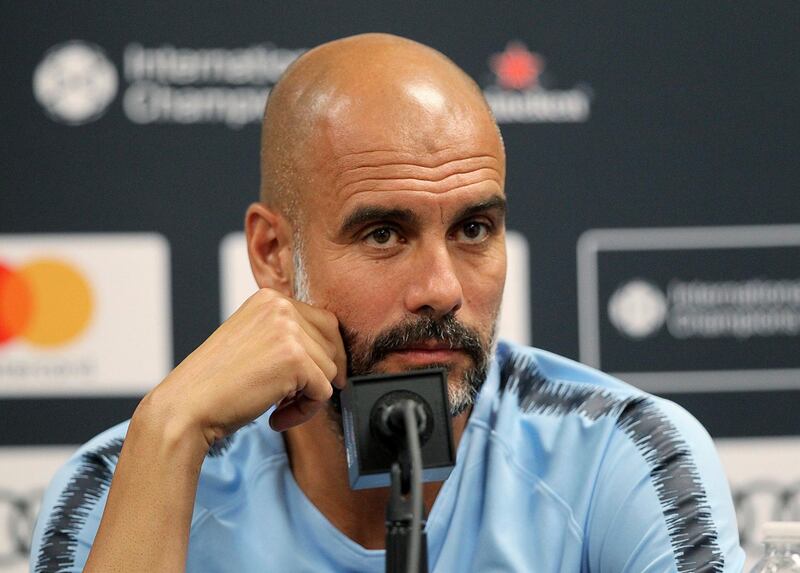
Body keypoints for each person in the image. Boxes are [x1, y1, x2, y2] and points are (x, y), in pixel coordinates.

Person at [30, 33, 744, 572]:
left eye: (473, 229)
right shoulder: (127, 479)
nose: (441, 287)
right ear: (274, 253)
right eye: (382, 232)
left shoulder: (624, 455)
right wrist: (172, 429)